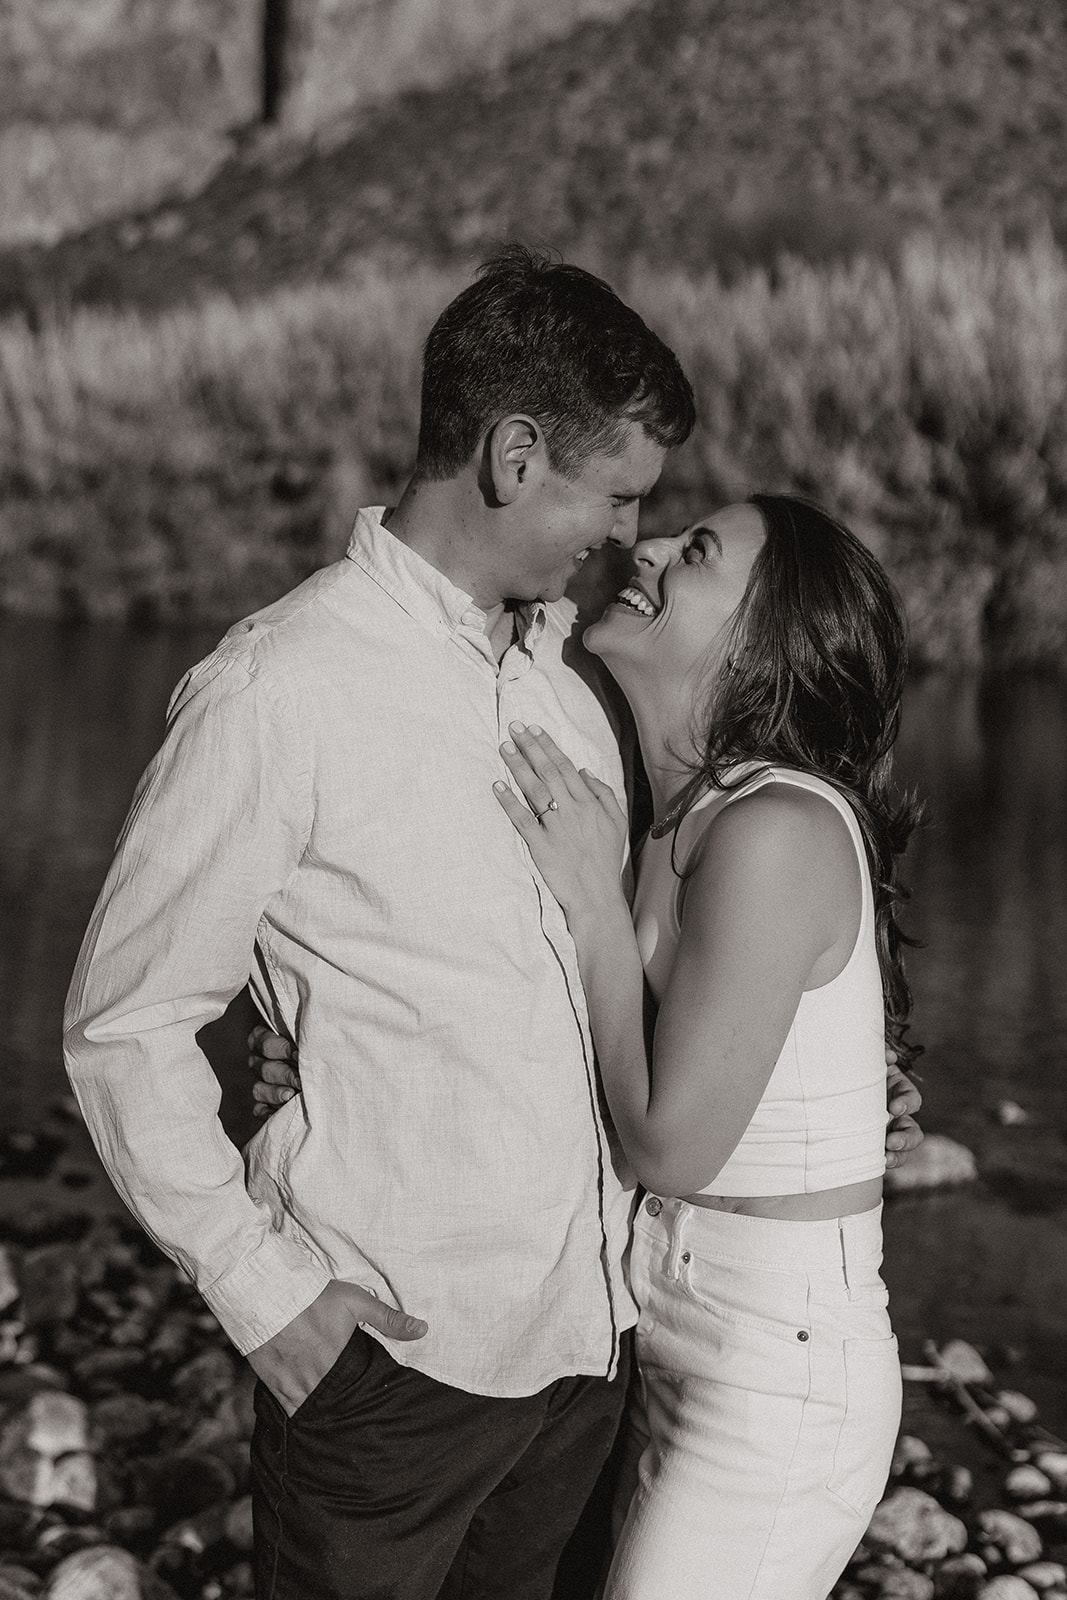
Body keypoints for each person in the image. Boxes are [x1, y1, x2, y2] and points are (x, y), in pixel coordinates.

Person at [65, 244, 919, 1600]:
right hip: (391, 1369)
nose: (627, 535)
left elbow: (671, 972)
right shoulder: (278, 691)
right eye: (618, 493)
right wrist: (265, 1293)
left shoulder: (578, 686)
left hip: (589, 1359)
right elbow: (126, 1023)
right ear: (515, 457)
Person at [491, 494, 916, 1598]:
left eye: (697, 554)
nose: (647, 549)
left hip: (773, 1375)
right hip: (667, 1332)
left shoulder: (773, 829)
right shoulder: (670, 814)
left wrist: (591, 903)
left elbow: (670, 1145)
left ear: (758, 645)